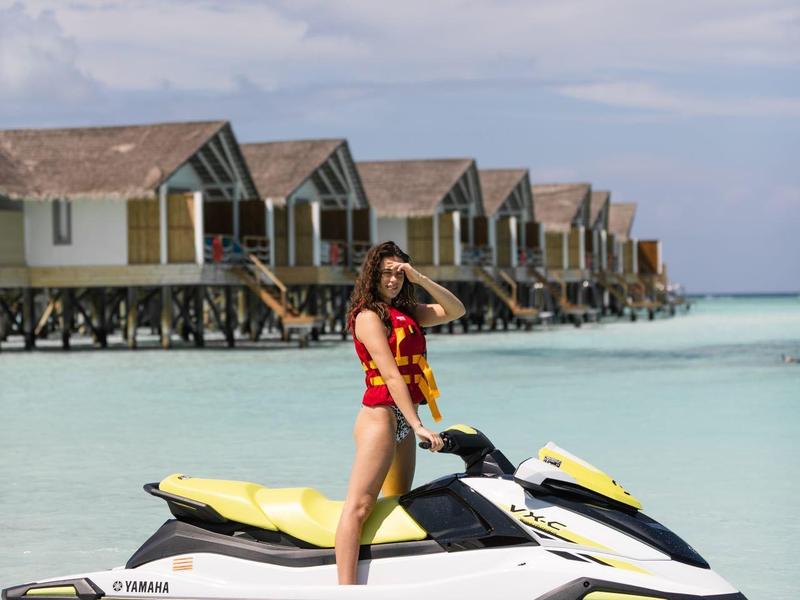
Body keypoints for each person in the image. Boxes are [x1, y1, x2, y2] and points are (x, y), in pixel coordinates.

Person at [334, 241, 466, 585]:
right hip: (380, 418)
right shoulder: (367, 316)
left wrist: (419, 278)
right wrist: (418, 424)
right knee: (359, 507)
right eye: (386, 273)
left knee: (396, 503)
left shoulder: (408, 312)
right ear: (372, 276)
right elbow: (391, 375)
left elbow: (456, 310)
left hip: (403, 420)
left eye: (398, 273)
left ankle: (382, 575)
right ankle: (344, 590)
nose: (392, 280)